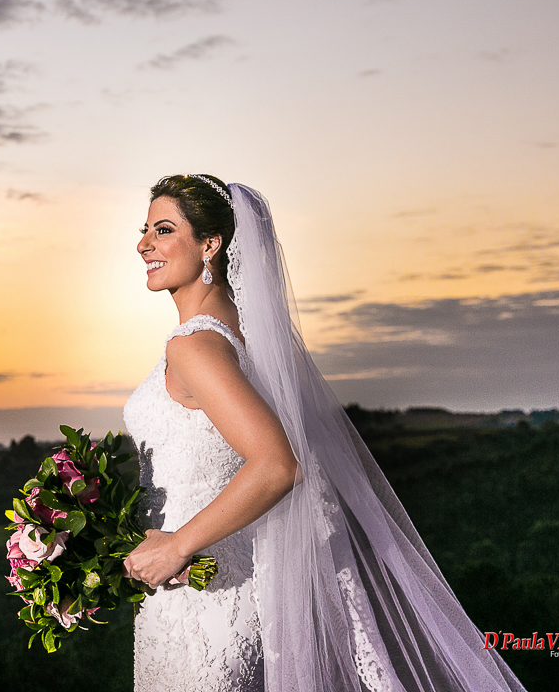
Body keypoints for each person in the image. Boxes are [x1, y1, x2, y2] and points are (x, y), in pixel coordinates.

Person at [120, 175, 526, 692]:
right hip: (224, 591)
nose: (144, 244)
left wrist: (178, 545)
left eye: (163, 230)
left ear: (210, 244)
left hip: (200, 610)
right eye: (144, 230)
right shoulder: (244, 338)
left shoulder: (194, 346)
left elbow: (278, 465)